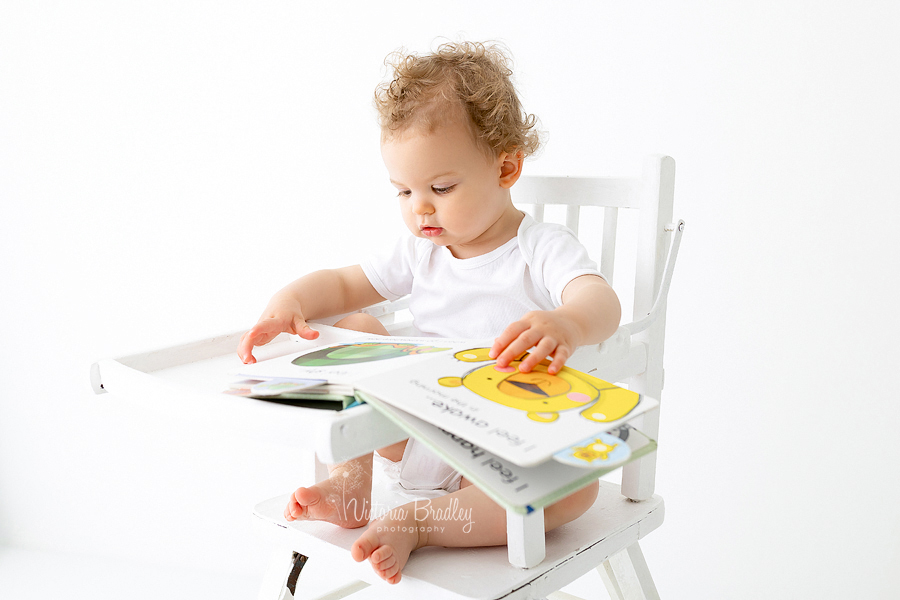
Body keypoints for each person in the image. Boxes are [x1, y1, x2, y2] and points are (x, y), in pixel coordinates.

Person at [237, 41, 622, 585]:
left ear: (506, 166)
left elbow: (598, 298)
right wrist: (291, 302)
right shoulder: (421, 249)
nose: (420, 207)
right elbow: (348, 283)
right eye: (403, 190)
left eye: (441, 187)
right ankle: (352, 485)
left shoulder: (538, 247)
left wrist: (569, 322)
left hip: (503, 441)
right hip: (416, 426)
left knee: (579, 484)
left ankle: (422, 522)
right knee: (358, 327)